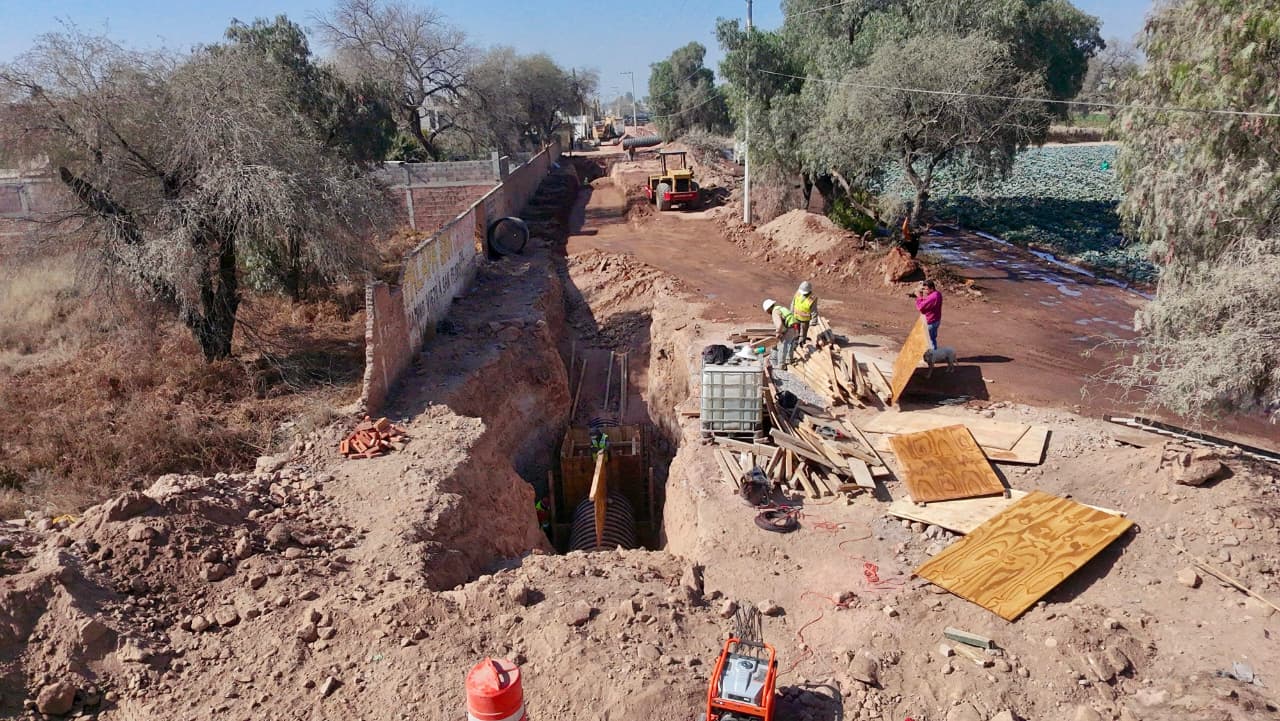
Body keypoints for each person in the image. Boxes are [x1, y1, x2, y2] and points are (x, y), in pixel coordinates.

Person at [763, 298, 800, 369]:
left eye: (767, 311)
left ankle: (781, 365)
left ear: (768, 309)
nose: (768, 313)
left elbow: (779, 324)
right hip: (795, 326)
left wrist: (778, 332)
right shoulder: (780, 308)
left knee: (783, 345)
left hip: (790, 327)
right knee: (791, 343)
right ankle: (789, 360)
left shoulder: (775, 311)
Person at [912, 279, 943, 350]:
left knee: (927, 340)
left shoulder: (932, 297)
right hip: (935, 320)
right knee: (932, 339)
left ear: (932, 288)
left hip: (930, 321)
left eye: (926, 289)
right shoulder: (937, 294)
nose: (925, 291)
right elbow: (927, 303)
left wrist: (919, 297)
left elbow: (920, 307)